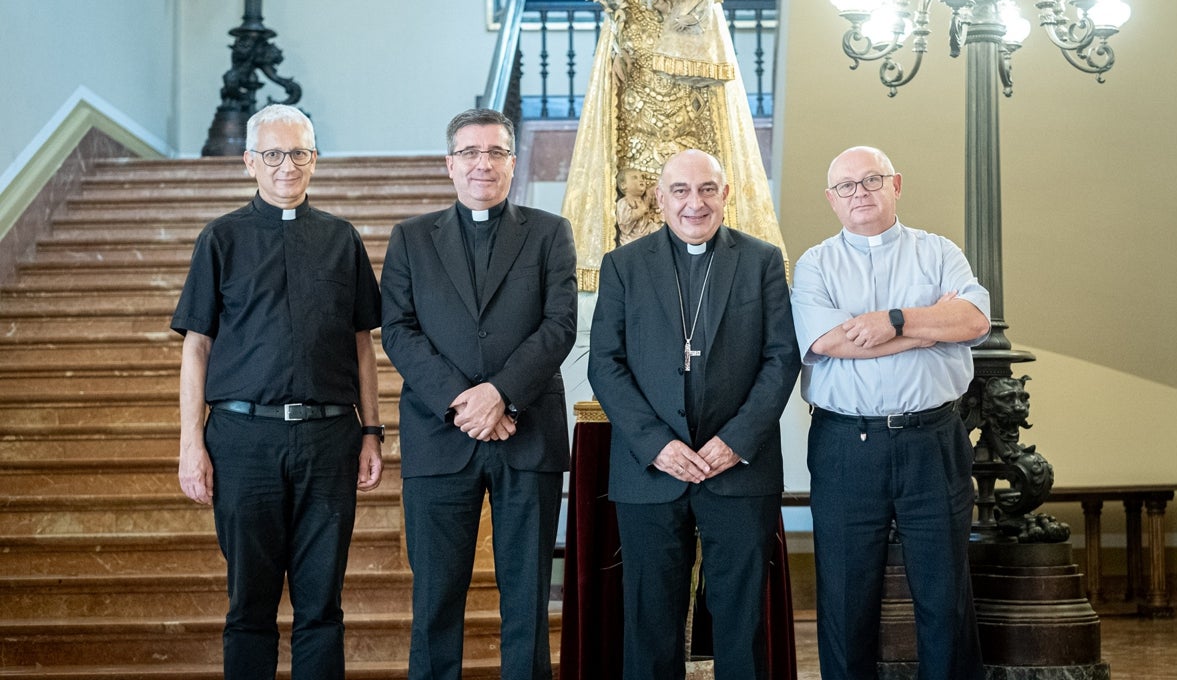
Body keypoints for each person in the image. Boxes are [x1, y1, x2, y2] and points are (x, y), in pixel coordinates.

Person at [173, 104, 384, 680]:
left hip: (329, 439)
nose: (286, 166)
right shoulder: (221, 240)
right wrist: (192, 444)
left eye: (298, 153)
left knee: (322, 606)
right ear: (249, 162)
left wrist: (371, 431)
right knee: (250, 607)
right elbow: (196, 347)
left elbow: (362, 343)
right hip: (243, 442)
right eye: (272, 154)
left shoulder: (343, 240)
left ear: (314, 160)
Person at [379, 108, 577, 680]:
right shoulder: (411, 238)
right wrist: (466, 402)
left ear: (513, 164)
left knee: (528, 599)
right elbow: (398, 330)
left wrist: (502, 394)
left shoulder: (548, 232)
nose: (482, 163)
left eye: (495, 153)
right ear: (450, 165)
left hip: (528, 432)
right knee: (437, 599)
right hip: (441, 436)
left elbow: (559, 324)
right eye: (470, 153)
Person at [588, 149, 801, 680]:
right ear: (660, 199)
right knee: (650, 621)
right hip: (651, 472)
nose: (694, 203)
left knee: (742, 621)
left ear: (725, 195)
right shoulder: (625, 265)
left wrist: (736, 440)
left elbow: (781, 359)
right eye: (680, 191)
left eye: (707, 189)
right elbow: (605, 365)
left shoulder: (761, 260)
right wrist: (657, 445)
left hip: (739, 469)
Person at [789, 145, 991, 680]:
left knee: (945, 593)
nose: (861, 193)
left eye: (872, 180)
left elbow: (972, 321)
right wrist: (927, 328)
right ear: (831, 199)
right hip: (845, 446)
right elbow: (830, 342)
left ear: (895, 185)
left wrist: (892, 321)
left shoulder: (939, 251)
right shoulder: (815, 264)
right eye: (847, 186)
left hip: (934, 439)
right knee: (846, 595)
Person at [560, 0, 786, 291]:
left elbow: (714, 66)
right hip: (637, 123)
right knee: (637, 217)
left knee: (693, 208)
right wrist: (619, 62)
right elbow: (614, 55)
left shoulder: (702, 6)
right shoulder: (624, 0)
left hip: (689, 119)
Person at [651, 0, 737, 87]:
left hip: (695, 47)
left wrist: (688, 20)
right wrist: (663, 8)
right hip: (674, 47)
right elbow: (672, 13)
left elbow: (702, 16)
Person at [615, 166, 657, 246]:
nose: (641, 180)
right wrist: (639, 211)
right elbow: (624, 220)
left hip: (646, 232)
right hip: (631, 238)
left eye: (642, 177)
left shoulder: (643, 199)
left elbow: (652, 194)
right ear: (624, 185)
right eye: (635, 178)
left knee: (655, 228)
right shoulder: (623, 202)